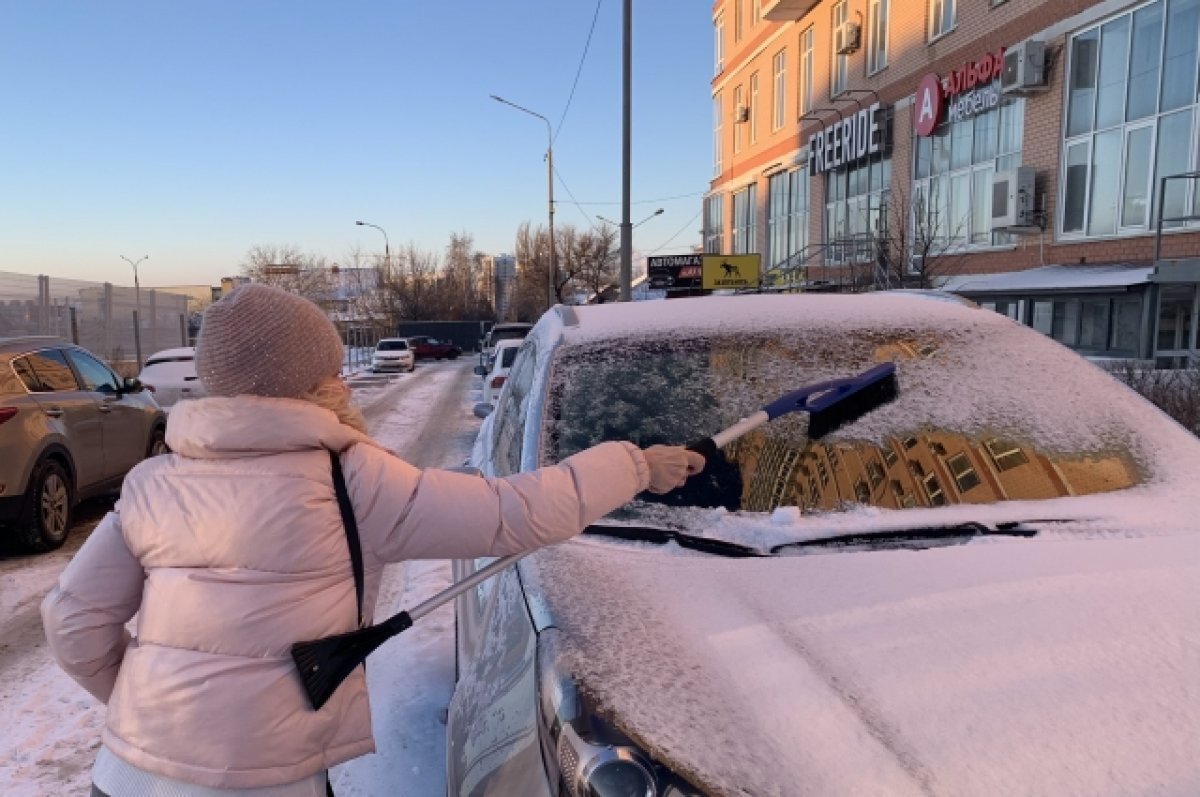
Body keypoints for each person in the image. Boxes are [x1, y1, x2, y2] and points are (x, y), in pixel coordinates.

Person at [41, 284, 705, 796]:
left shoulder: (151, 481)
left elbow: (71, 620)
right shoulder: (347, 478)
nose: (340, 381)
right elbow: (511, 513)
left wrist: (152, 706)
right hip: (262, 781)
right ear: (305, 381)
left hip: (125, 774)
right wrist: (637, 465)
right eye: (329, 369)